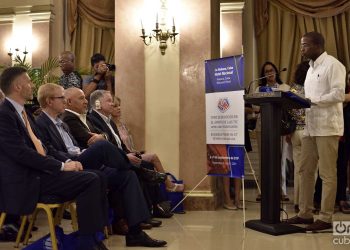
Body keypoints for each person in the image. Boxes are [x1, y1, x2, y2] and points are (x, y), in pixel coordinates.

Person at [35, 83, 167, 247]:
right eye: (61, 98)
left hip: (79, 159)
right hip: (67, 166)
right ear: (49, 101)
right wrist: (73, 158)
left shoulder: (62, 123)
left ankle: (135, 233)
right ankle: (141, 171)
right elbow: (50, 152)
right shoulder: (40, 123)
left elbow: (76, 145)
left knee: (127, 176)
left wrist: (83, 151)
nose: (64, 101)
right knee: (102, 145)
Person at [0, 67, 109, 250]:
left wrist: (67, 162)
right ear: (18, 87)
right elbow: (21, 153)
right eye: (28, 81)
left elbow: (44, 147)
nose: (32, 85)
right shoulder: (4, 115)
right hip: (26, 180)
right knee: (90, 179)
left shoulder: (23, 112)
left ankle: (92, 238)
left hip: (41, 173)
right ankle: (87, 243)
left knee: (96, 175)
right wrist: (60, 166)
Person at [286, 31, 345, 231]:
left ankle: (326, 218)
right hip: (310, 127)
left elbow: (338, 94)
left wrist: (312, 102)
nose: (302, 49)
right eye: (301, 45)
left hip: (327, 127)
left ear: (318, 45)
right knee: (305, 170)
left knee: (327, 174)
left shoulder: (334, 65)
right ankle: (305, 214)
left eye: (305, 45)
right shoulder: (310, 69)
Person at [111, 96, 184, 192]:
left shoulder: (123, 125)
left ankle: (160, 190)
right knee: (153, 157)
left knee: (150, 163)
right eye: (115, 106)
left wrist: (137, 152)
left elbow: (129, 145)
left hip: (131, 153)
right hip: (125, 157)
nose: (119, 108)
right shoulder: (111, 126)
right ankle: (169, 185)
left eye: (119, 105)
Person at [254, 61, 291, 201]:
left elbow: (290, 107)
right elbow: (256, 108)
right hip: (262, 127)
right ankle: (262, 191)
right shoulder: (259, 89)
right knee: (263, 159)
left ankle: (282, 191)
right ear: (263, 75)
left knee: (280, 160)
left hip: (280, 127)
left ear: (276, 71)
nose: (269, 73)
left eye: (271, 70)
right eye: (266, 71)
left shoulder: (284, 87)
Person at [287, 61, 310, 213]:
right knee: (310, 171)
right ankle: (306, 203)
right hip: (309, 131)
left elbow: (289, 110)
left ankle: (297, 202)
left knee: (298, 170)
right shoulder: (312, 87)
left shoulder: (293, 89)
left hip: (295, 131)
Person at [336, 70, 350, 213]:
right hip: (344, 136)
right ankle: (341, 199)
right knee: (341, 168)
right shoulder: (343, 93)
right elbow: (339, 98)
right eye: (348, 79)